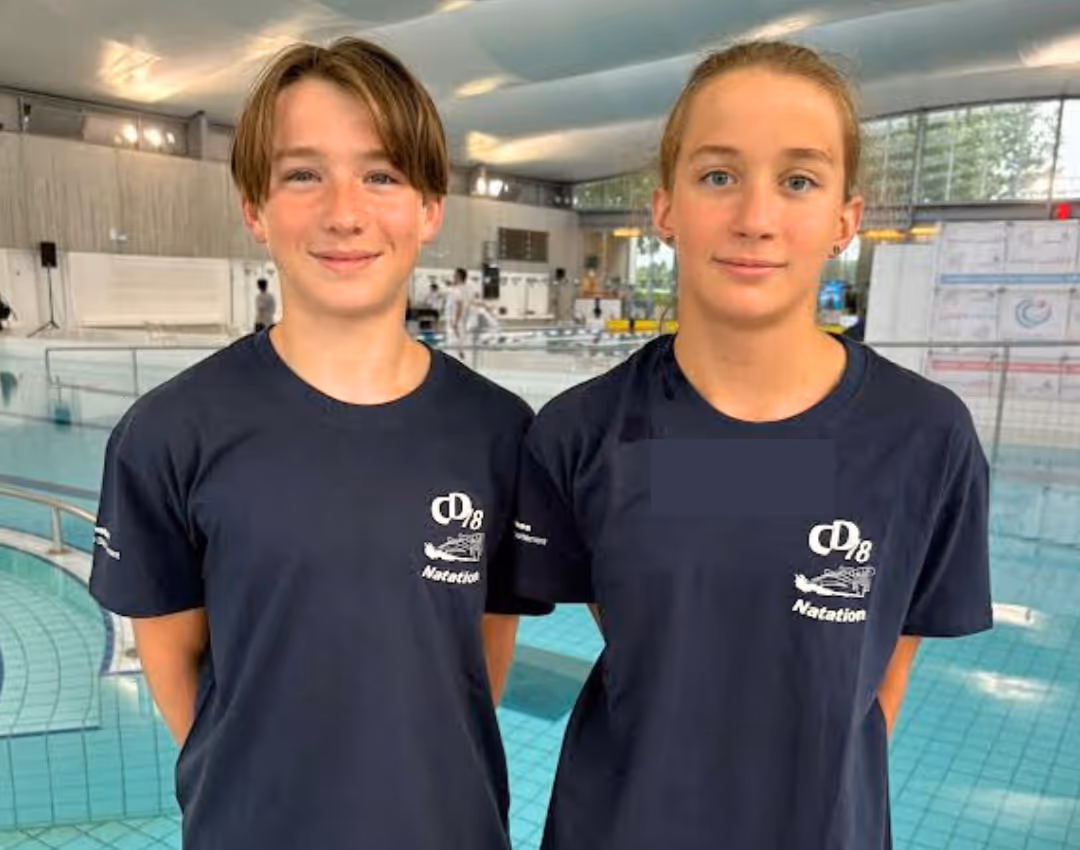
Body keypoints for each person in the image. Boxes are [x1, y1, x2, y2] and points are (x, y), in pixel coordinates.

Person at [511, 40, 991, 850]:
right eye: (718, 175)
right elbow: (643, 631)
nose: (755, 218)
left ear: (846, 218)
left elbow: (878, 675)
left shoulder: (924, 439)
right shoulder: (580, 435)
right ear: (664, 207)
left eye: (798, 180)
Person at [90, 37, 543, 850]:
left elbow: (478, 668)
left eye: (382, 174)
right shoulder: (170, 432)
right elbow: (178, 673)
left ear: (430, 208)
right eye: (304, 174)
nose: (345, 211)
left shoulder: (500, 434)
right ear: (254, 208)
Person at [443, 266, 468, 357]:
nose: (453, 276)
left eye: (455, 275)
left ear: (459, 276)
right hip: (450, 318)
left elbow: (460, 306)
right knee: (452, 339)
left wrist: (456, 321)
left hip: (455, 319)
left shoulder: (460, 289)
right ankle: (459, 353)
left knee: (455, 338)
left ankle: (460, 354)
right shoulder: (454, 288)